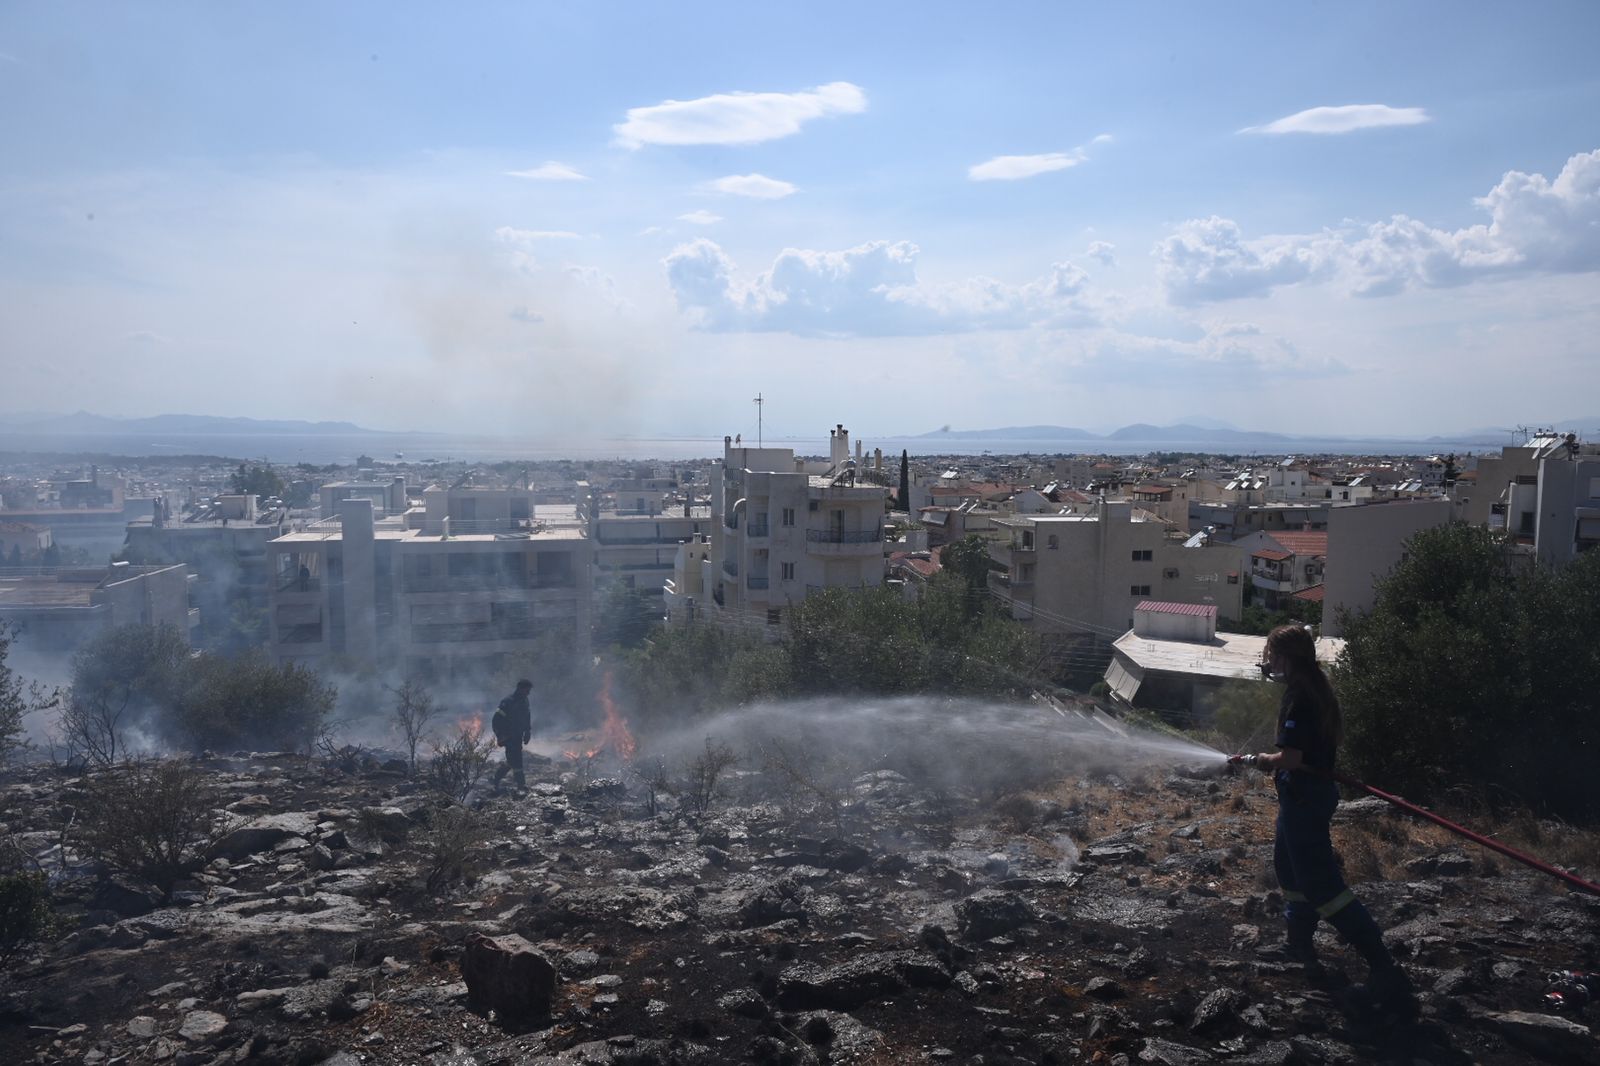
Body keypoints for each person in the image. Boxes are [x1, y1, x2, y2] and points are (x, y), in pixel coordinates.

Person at [1239, 624, 1414, 1013]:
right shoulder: (1310, 687)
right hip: (1301, 796)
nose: (1269, 662)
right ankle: (1297, 944)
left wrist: (1261, 760)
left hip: (1305, 798)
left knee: (1322, 886)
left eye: (1272, 655)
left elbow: (1291, 758)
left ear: (1286, 658)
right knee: (1289, 869)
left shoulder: (1301, 697)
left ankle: (1383, 967)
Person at [492, 679, 533, 793]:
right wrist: (500, 735)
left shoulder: (525, 701)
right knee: (516, 760)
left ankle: (497, 780)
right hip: (508, 737)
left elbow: (527, 717)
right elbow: (496, 720)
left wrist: (527, 732)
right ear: (520, 689)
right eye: (527, 690)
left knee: (512, 761)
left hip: (518, 736)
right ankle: (520, 785)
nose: (528, 693)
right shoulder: (507, 702)